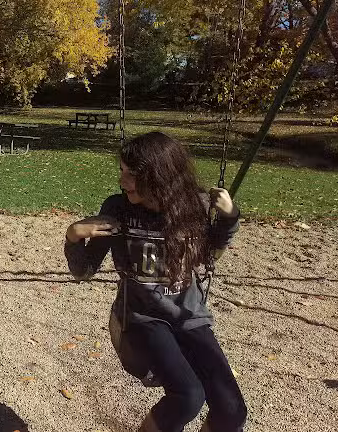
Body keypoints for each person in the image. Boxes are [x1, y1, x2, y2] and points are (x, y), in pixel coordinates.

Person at [64, 132, 247, 432]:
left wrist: (229, 218)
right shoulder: (117, 208)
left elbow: (208, 256)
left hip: (188, 317)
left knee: (232, 411)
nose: (123, 182)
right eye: (121, 172)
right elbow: (83, 272)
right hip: (141, 318)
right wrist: (74, 236)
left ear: (161, 176)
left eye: (132, 175)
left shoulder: (195, 206)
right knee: (188, 396)